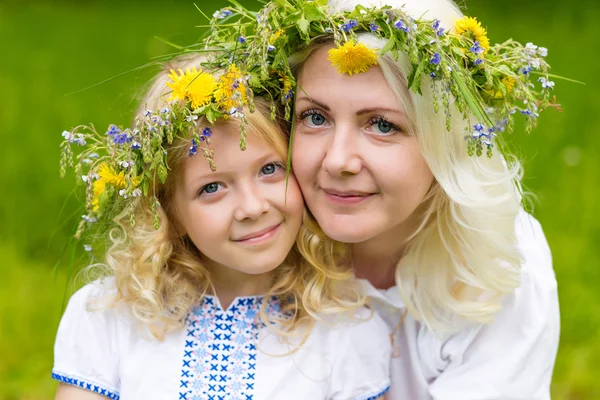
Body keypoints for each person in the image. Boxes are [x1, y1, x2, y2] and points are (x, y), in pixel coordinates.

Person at [54, 54, 391, 400]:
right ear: (170, 214)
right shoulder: (108, 315)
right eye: (212, 188)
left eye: (270, 170)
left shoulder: (346, 330)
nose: (252, 207)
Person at [287, 0, 560, 398]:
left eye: (382, 125)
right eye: (315, 117)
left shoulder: (498, 262)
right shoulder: (255, 241)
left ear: (447, 143)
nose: (338, 160)